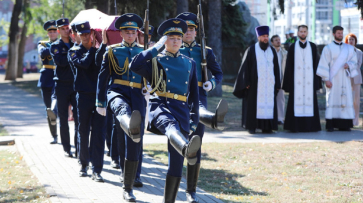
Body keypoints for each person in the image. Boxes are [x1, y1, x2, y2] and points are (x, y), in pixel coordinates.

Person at [130, 18, 201, 203]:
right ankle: (185, 146)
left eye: (179, 37)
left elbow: (194, 95)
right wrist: (155, 48)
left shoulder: (190, 63)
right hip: (160, 107)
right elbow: (134, 65)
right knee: (170, 127)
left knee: (176, 165)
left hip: (182, 111)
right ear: (165, 40)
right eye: (171, 37)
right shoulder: (155, 61)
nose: (176, 41)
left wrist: (194, 119)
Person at [176, 12, 226, 203]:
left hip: (199, 96)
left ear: (196, 32)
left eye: (191, 29)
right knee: (180, 141)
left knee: (195, 143)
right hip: (179, 98)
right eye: (185, 29)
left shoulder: (205, 51)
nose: (188, 32)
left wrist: (211, 84)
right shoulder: (173, 48)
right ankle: (175, 181)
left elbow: (218, 73)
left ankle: (191, 190)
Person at [96, 13, 145, 202]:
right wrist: (101, 102)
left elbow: (154, 75)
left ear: (137, 33)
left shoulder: (144, 51)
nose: (131, 35)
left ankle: (135, 175)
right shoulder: (112, 51)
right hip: (117, 93)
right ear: (122, 33)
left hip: (138, 96)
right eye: (127, 32)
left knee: (135, 136)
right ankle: (127, 176)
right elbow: (102, 78)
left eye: (133, 32)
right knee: (124, 129)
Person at [68, 21, 106, 182]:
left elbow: (100, 63)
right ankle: (84, 164)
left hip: (98, 97)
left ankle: (97, 169)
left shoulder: (98, 50)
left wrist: (102, 43)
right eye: (81, 33)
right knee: (83, 131)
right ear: (77, 35)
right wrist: (92, 49)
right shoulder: (73, 52)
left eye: (87, 33)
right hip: (82, 97)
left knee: (98, 134)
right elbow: (83, 64)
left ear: (91, 34)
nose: (84, 36)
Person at [233, 26, 280, 134]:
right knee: (253, 106)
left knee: (269, 105)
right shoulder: (252, 50)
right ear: (258, 37)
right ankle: (252, 127)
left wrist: (277, 83)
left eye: (267, 36)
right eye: (263, 36)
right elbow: (245, 68)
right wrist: (246, 82)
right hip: (255, 85)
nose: (265, 38)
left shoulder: (272, 51)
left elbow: (276, 68)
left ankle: (267, 127)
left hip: (269, 85)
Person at [317, 26, 358, 132]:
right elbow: (323, 64)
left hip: (345, 78)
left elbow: (354, 61)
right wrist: (326, 79)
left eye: (341, 33)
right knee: (331, 100)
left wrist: (348, 65)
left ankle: (345, 125)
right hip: (333, 79)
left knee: (346, 99)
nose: (340, 34)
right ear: (334, 34)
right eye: (338, 33)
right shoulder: (328, 48)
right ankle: (331, 125)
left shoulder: (349, 48)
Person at [282, 25, 322, 132]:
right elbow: (289, 67)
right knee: (295, 102)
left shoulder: (313, 47)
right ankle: (294, 127)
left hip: (309, 82)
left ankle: (311, 127)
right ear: (298, 33)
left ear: (307, 33)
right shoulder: (292, 47)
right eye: (301, 31)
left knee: (310, 103)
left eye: (305, 31)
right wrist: (288, 84)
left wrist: (317, 82)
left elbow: (316, 65)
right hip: (296, 82)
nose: (303, 33)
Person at [50, 18, 78, 157]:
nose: (66, 30)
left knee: (79, 118)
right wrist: (73, 52)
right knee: (63, 118)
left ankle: (79, 147)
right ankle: (67, 148)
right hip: (61, 85)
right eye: (63, 28)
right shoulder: (55, 46)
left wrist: (75, 46)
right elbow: (61, 62)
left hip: (76, 84)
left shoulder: (77, 43)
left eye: (68, 28)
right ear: (59, 30)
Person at [37, 20, 58, 144]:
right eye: (50, 31)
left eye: (54, 31)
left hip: (60, 77)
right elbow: (43, 53)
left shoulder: (64, 44)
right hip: (46, 79)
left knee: (57, 108)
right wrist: (57, 47)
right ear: (47, 33)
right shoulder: (43, 44)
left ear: (58, 32)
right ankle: (54, 135)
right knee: (49, 109)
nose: (52, 33)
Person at [344, 33, 362, 127]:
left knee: (356, 101)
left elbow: (358, 65)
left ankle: (355, 121)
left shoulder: (359, 52)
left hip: (356, 79)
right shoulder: (343, 52)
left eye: (353, 39)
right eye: (349, 39)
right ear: (346, 41)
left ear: (355, 41)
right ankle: (347, 120)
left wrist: (349, 66)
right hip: (346, 78)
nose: (351, 41)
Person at [270, 35, 287, 125]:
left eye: (279, 40)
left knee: (281, 99)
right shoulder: (269, 52)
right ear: (272, 42)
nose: (278, 41)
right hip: (270, 80)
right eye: (276, 40)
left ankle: (280, 118)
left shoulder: (284, 53)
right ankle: (271, 117)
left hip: (281, 79)